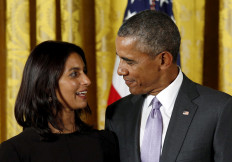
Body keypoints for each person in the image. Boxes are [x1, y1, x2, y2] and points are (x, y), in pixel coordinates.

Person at [105, 10, 232, 162]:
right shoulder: (117, 113)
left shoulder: (218, 110)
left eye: (130, 62)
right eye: (120, 59)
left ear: (164, 60)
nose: (120, 70)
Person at [0, 41, 119, 162]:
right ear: (46, 86)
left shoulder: (105, 142)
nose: (87, 80)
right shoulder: (15, 151)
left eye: (84, 71)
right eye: (74, 74)